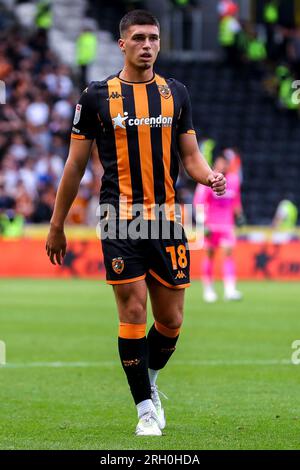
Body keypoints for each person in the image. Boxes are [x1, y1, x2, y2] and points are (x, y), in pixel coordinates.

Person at [46, 10, 226, 436]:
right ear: (122, 43)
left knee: (172, 321)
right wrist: (57, 225)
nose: (148, 45)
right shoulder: (95, 96)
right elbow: (74, 167)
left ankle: (149, 380)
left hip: (166, 218)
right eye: (139, 38)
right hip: (120, 218)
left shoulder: (176, 93)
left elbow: (191, 156)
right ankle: (145, 408)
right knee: (131, 310)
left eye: (154, 38)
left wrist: (208, 175)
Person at [194, 154, 242, 302]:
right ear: (215, 164)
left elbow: (235, 200)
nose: (222, 166)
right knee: (210, 255)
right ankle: (208, 290)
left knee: (228, 254)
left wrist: (240, 216)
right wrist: (202, 223)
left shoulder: (233, 180)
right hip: (211, 225)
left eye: (225, 163)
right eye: (220, 163)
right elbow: (198, 203)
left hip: (227, 224)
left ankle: (230, 290)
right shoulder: (207, 180)